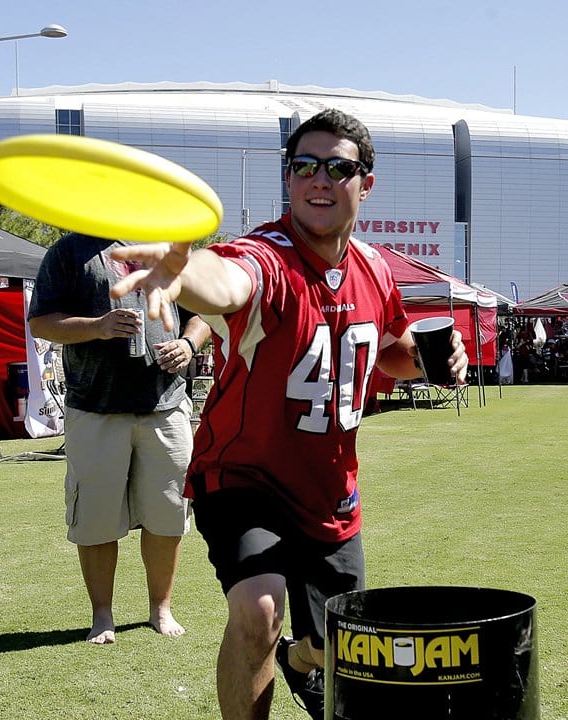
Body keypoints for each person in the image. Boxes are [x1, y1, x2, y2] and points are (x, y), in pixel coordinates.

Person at [108, 109, 469, 720]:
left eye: (338, 167)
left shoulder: (376, 269)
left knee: (340, 645)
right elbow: (229, 280)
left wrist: (435, 359)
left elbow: (388, 352)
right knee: (260, 610)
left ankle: (302, 661)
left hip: (330, 491)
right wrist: (183, 271)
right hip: (243, 475)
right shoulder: (268, 254)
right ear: (288, 178)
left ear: (366, 182)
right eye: (304, 166)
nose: (319, 179)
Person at [28, 234, 212, 646]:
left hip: (165, 405)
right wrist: (98, 326)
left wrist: (188, 343)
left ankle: (160, 609)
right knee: (95, 519)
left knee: (168, 515)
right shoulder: (67, 252)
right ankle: (102, 616)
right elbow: (41, 321)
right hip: (95, 409)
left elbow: (202, 314)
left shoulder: (164, 248)